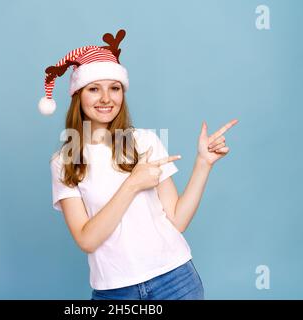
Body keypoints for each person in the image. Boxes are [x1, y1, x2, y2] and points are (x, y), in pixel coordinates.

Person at [38, 29, 238, 300]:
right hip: (115, 292)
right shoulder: (64, 162)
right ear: (78, 96)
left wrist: (203, 163)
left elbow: (177, 220)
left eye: (115, 88)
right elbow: (87, 239)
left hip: (176, 280)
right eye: (94, 89)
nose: (106, 98)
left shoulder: (145, 141)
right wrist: (132, 183)